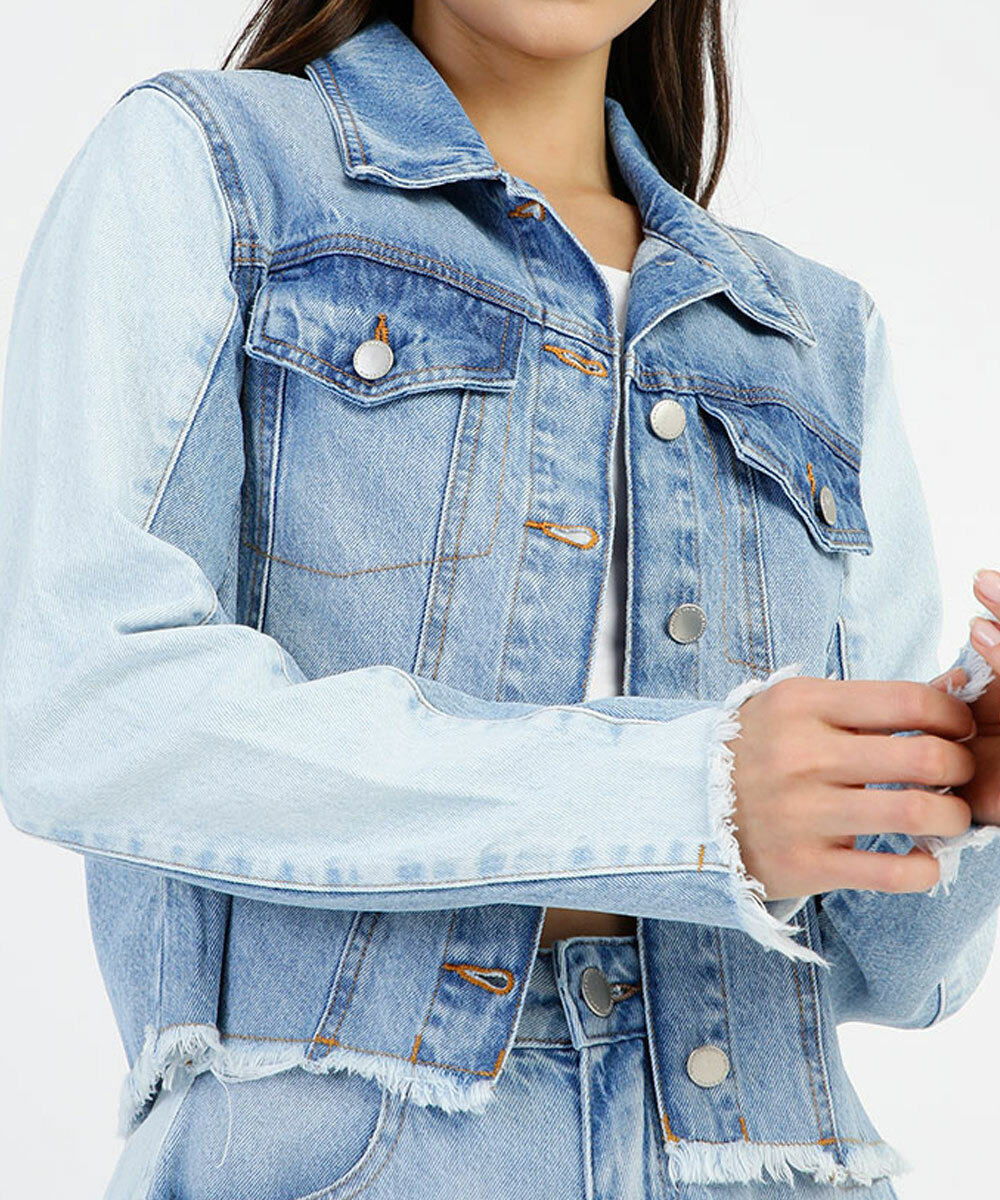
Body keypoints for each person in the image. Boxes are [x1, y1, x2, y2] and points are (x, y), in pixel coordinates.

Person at [3, 3, 1000, 1197]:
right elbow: (86, 705)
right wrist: (681, 796)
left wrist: (959, 786)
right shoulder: (218, 162)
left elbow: (893, 970)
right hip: (355, 1156)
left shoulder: (813, 331)